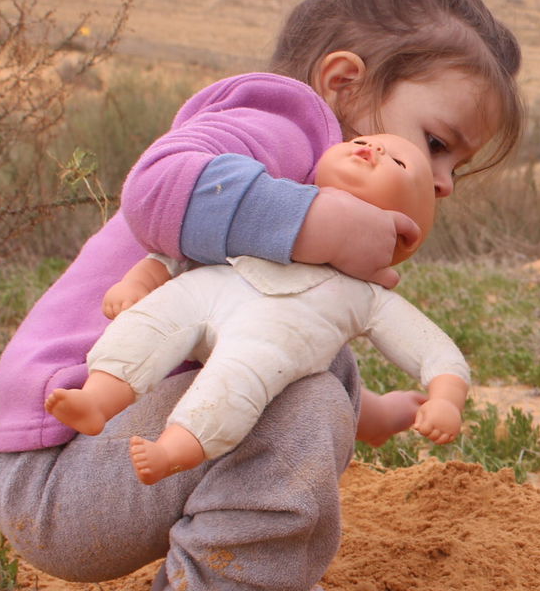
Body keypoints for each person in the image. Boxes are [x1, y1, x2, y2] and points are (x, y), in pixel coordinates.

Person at [0, 0, 522, 591]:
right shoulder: (277, 127)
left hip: (109, 463)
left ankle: (212, 578)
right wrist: (324, 224)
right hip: (58, 473)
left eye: (454, 166)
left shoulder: (304, 205)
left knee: (301, 385)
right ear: (341, 84)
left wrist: (361, 407)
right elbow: (158, 185)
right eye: (437, 143)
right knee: (294, 409)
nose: (442, 183)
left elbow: (284, 337)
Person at [44, 133, 470, 486]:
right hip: (200, 294)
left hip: (266, 342)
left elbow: (433, 349)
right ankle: (97, 399)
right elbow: (175, 254)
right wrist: (138, 283)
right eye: (362, 140)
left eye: (397, 162)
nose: (373, 149)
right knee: (149, 322)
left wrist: (446, 399)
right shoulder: (274, 216)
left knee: (236, 384)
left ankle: (174, 450)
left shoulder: (364, 295)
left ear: (406, 232)